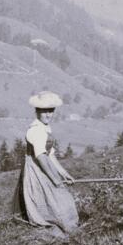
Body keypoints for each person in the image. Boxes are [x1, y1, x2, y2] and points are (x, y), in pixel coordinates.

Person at [15, 91, 80, 236]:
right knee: (50, 199)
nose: (48, 115)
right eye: (44, 111)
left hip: (45, 167)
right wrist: (55, 179)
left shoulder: (45, 129)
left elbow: (50, 155)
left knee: (61, 198)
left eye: (51, 111)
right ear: (37, 111)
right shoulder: (36, 130)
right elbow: (41, 157)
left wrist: (64, 173)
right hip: (37, 170)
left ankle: (69, 226)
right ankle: (58, 227)